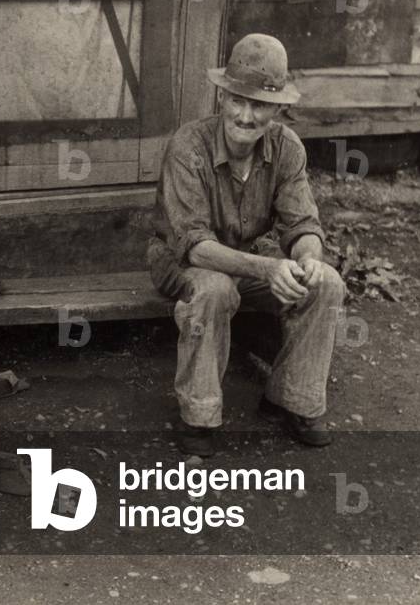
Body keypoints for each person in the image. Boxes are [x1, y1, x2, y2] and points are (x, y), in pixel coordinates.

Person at [148, 33, 346, 457]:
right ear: (222, 97)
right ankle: (199, 417)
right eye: (237, 100)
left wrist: (308, 258)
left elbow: (303, 224)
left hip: (245, 261)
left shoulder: (286, 148)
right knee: (215, 288)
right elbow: (194, 246)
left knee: (326, 282)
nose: (245, 115)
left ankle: (290, 399)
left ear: (277, 109)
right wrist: (267, 269)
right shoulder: (189, 146)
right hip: (181, 262)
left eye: (259, 105)